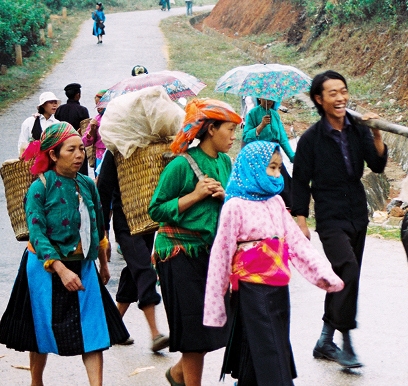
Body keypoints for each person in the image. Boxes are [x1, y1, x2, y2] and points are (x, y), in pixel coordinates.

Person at [203, 141, 344, 385]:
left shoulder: (276, 202)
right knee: (269, 349)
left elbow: (297, 242)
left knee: (269, 343)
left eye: (279, 168)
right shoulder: (234, 206)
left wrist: (324, 274)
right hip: (251, 290)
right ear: (253, 167)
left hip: (279, 288)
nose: (277, 174)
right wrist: (215, 304)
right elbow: (221, 254)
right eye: (272, 168)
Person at [0, 122, 128, 386]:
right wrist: (60, 268)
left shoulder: (87, 184)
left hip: (83, 266)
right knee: (40, 330)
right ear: (54, 155)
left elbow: (98, 226)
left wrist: (102, 264)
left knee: (93, 331)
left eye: (82, 148)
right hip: (44, 267)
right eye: (72, 150)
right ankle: (37, 382)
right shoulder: (40, 187)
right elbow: (37, 234)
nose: (80, 155)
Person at [292, 70, 387, 368]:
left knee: (345, 276)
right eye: (333, 93)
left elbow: (378, 164)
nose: (341, 97)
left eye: (343, 91)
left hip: (358, 212)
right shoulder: (311, 139)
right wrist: (300, 219)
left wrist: (376, 133)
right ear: (319, 100)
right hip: (330, 214)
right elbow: (299, 181)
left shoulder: (357, 130)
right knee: (347, 269)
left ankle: (324, 340)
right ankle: (345, 342)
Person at [148, 99, 241, 386]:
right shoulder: (180, 164)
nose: (233, 136)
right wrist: (195, 195)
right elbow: (156, 209)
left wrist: (225, 197)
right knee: (191, 329)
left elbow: (234, 205)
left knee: (208, 326)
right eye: (230, 129)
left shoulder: (225, 162)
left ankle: (178, 374)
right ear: (211, 129)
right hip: (178, 253)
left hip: (211, 255)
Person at [97, 150, 170, 352]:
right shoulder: (116, 149)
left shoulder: (153, 145)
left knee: (133, 271)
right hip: (125, 221)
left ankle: (112, 326)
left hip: (147, 220)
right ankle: (155, 333)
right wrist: (102, 231)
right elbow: (103, 189)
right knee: (144, 269)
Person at [243, 98, 295, 208]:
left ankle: (284, 209)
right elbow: (246, 136)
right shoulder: (253, 113)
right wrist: (261, 126)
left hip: (275, 154)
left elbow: (282, 138)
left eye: (272, 99)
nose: (269, 101)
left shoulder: (275, 115)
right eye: (266, 99)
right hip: (260, 154)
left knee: (283, 183)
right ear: (259, 98)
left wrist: (292, 156)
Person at [55, 83, 90, 175]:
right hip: (78, 144)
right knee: (80, 174)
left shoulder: (59, 109)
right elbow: (85, 130)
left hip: (62, 145)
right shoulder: (82, 110)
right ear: (78, 95)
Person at [18, 91, 60, 157]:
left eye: (55, 103)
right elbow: (22, 142)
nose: (54, 105)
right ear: (43, 105)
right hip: (31, 159)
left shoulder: (57, 124)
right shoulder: (29, 122)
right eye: (51, 102)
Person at [83, 90, 108, 176]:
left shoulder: (116, 117)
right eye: (97, 105)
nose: (98, 108)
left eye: (101, 105)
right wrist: (92, 130)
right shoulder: (96, 119)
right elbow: (85, 142)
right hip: (100, 155)